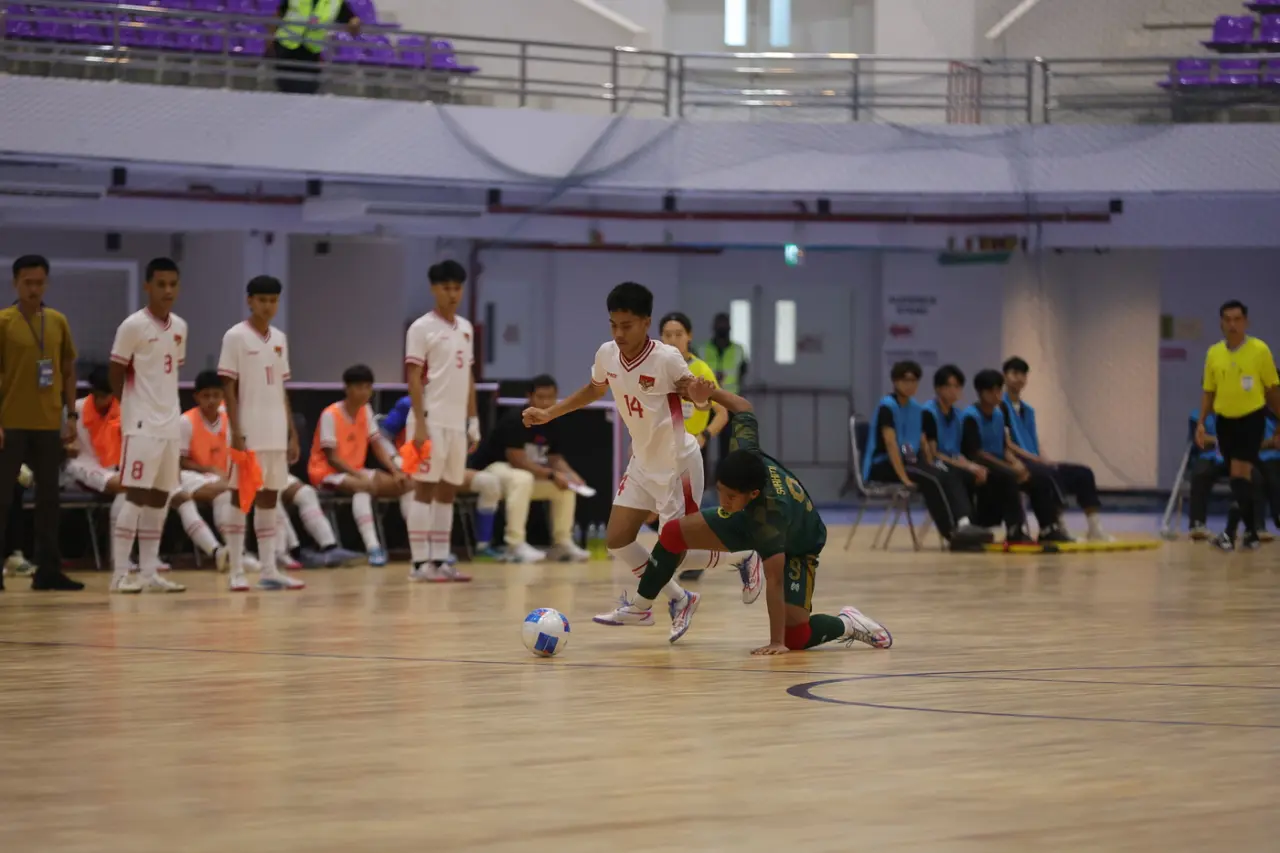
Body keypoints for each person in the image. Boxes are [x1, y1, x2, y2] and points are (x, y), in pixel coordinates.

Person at [523, 282, 760, 643]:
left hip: (676, 465)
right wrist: (551, 413)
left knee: (674, 553)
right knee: (617, 539)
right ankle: (679, 599)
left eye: (627, 325)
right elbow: (594, 388)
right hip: (642, 463)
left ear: (646, 322)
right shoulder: (607, 353)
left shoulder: (666, 358)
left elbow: (693, 395)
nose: (618, 333)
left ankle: (742, 557)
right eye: (613, 325)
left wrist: (700, 398)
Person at [636, 380, 891, 655]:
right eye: (721, 491)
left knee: (796, 637)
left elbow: (776, 581)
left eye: (730, 496)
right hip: (746, 517)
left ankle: (848, 624)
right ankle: (639, 607)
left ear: (753, 493)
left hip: (799, 546)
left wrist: (776, 642)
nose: (723, 501)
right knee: (674, 533)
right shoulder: (744, 452)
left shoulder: (771, 515)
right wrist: (711, 393)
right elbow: (743, 407)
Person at [107, 258, 192, 593]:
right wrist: (131, 407)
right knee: (136, 496)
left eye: (173, 284)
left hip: (170, 424)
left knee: (160, 498)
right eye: (161, 284)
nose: (167, 290)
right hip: (141, 425)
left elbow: (171, 373)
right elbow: (116, 371)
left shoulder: (181, 327)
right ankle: (118, 575)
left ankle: (148, 572)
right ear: (147, 286)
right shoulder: (132, 326)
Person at [0, 255, 83, 591]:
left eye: (39, 282)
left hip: (48, 423)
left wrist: (72, 415)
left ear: (46, 283)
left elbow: (67, 370)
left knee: (50, 499)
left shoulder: (58, 321)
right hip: (10, 421)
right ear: (15, 283)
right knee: (3, 498)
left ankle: (48, 571)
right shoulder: (3, 322)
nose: (34, 289)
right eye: (27, 283)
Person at [219, 275, 305, 590]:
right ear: (250, 301)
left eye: (273, 300)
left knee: (270, 498)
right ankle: (236, 570)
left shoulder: (280, 338)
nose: (268, 306)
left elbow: (282, 389)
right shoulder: (235, 337)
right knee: (242, 498)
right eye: (262, 300)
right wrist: (236, 428)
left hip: (275, 431)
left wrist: (291, 433)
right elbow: (228, 386)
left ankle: (269, 568)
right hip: (248, 430)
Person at [403, 260, 479, 583]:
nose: (452, 294)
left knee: (449, 489)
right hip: (429, 420)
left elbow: (469, 377)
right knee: (425, 488)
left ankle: (441, 559)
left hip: (456, 423)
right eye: (446, 287)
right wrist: (419, 423)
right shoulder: (421, 328)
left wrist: (473, 418)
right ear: (434, 289)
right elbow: (413, 378)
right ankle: (420, 563)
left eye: (457, 288)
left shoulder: (465, 327)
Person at [862, 361, 989, 549]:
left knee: (948, 474)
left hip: (910, 461)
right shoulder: (887, 407)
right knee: (932, 479)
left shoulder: (916, 409)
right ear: (895, 382)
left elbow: (917, 443)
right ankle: (952, 534)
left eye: (914, 380)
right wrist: (904, 478)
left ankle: (965, 523)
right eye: (905, 380)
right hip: (883, 464)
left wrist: (929, 463)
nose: (910, 385)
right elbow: (891, 444)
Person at [471, 374, 590, 564]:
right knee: (522, 478)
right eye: (540, 397)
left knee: (565, 487)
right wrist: (552, 474)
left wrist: (570, 475)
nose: (545, 402)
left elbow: (554, 457)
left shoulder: (553, 421)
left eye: (550, 397)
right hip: (495, 469)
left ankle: (562, 543)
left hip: (527, 474)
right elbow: (516, 460)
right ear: (529, 397)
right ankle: (515, 545)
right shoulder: (515, 418)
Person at [1196, 299, 1280, 552]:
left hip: (1251, 419)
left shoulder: (1259, 350)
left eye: (1237, 319)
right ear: (1221, 323)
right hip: (1225, 422)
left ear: (1246, 322)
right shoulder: (1213, 353)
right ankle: (1252, 531)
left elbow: (1272, 389)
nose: (1233, 325)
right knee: (1239, 479)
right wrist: (1201, 423)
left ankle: (1231, 532)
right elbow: (1208, 392)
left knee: (1239, 474)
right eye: (1228, 320)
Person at [307, 364, 411, 566]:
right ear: (347, 389)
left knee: (405, 484)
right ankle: (373, 547)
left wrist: (395, 471)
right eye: (359, 387)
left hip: (355, 471)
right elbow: (332, 459)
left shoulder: (366, 410)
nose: (365, 392)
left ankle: (406, 547)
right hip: (326, 473)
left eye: (368, 387)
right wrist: (358, 476)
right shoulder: (330, 414)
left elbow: (378, 446)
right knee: (363, 486)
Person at [380, 394, 503, 561]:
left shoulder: (454, 404)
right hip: (415, 469)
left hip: (445, 469)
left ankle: (483, 547)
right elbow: (382, 437)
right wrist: (396, 460)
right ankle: (425, 552)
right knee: (412, 491)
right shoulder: (408, 404)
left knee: (490, 483)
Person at [1001, 357, 1111, 542]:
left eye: (1023, 374)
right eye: (1014, 373)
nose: (1019, 378)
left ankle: (1094, 527)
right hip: (1018, 462)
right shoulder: (1000, 407)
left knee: (1083, 473)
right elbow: (1007, 444)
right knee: (1047, 475)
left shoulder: (1028, 410)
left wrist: (1046, 459)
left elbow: (1034, 441)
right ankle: (1056, 525)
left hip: (1035, 460)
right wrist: (1036, 461)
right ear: (1005, 376)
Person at [922, 364, 1031, 544]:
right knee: (951, 473)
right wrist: (966, 466)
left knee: (999, 476)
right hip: (935, 462)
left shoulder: (958, 415)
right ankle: (963, 525)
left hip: (954, 460)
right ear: (938, 388)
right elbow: (934, 454)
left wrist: (972, 466)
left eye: (957, 386)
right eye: (949, 386)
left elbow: (959, 451)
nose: (953, 391)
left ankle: (1011, 528)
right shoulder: (928, 412)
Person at [961, 369, 1069, 543]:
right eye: (991, 391)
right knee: (1009, 477)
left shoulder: (999, 413)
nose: (997, 395)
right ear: (981, 393)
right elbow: (976, 453)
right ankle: (1014, 529)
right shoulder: (970, 416)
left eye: (999, 390)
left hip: (999, 461)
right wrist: (1009, 468)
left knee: (1038, 477)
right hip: (978, 466)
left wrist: (1017, 463)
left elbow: (1004, 446)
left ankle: (1048, 528)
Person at [659, 311, 729, 580]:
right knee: (657, 510)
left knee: (688, 509)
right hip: (660, 450)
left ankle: (696, 557)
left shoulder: (700, 370)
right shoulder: (657, 370)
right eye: (668, 335)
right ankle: (679, 553)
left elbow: (722, 412)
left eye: (679, 334)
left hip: (689, 452)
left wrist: (704, 436)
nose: (674, 339)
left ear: (689, 336)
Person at [273, 0, 361, 95]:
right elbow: (280, 12)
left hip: (311, 51)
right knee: (286, 88)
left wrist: (355, 21)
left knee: (307, 90)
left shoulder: (335, 2)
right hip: (287, 46)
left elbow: (350, 19)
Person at [700, 311, 747, 465]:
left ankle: (722, 483)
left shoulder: (738, 350)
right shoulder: (702, 349)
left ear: (730, 327)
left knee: (726, 448)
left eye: (724, 324)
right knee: (701, 445)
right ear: (713, 327)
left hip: (728, 403)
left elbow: (742, 373)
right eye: (719, 324)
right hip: (706, 404)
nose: (722, 327)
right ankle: (703, 483)